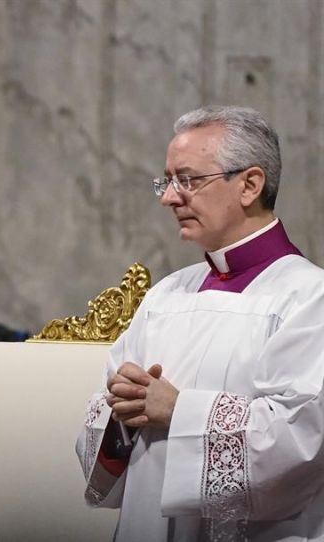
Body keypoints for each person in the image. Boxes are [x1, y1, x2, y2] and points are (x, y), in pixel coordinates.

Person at [77, 105, 324, 541]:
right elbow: (110, 409)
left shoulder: (308, 297)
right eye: (167, 181)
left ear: (250, 184)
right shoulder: (167, 294)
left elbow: (302, 439)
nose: (169, 197)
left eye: (188, 180)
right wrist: (121, 412)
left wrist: (179, 410)